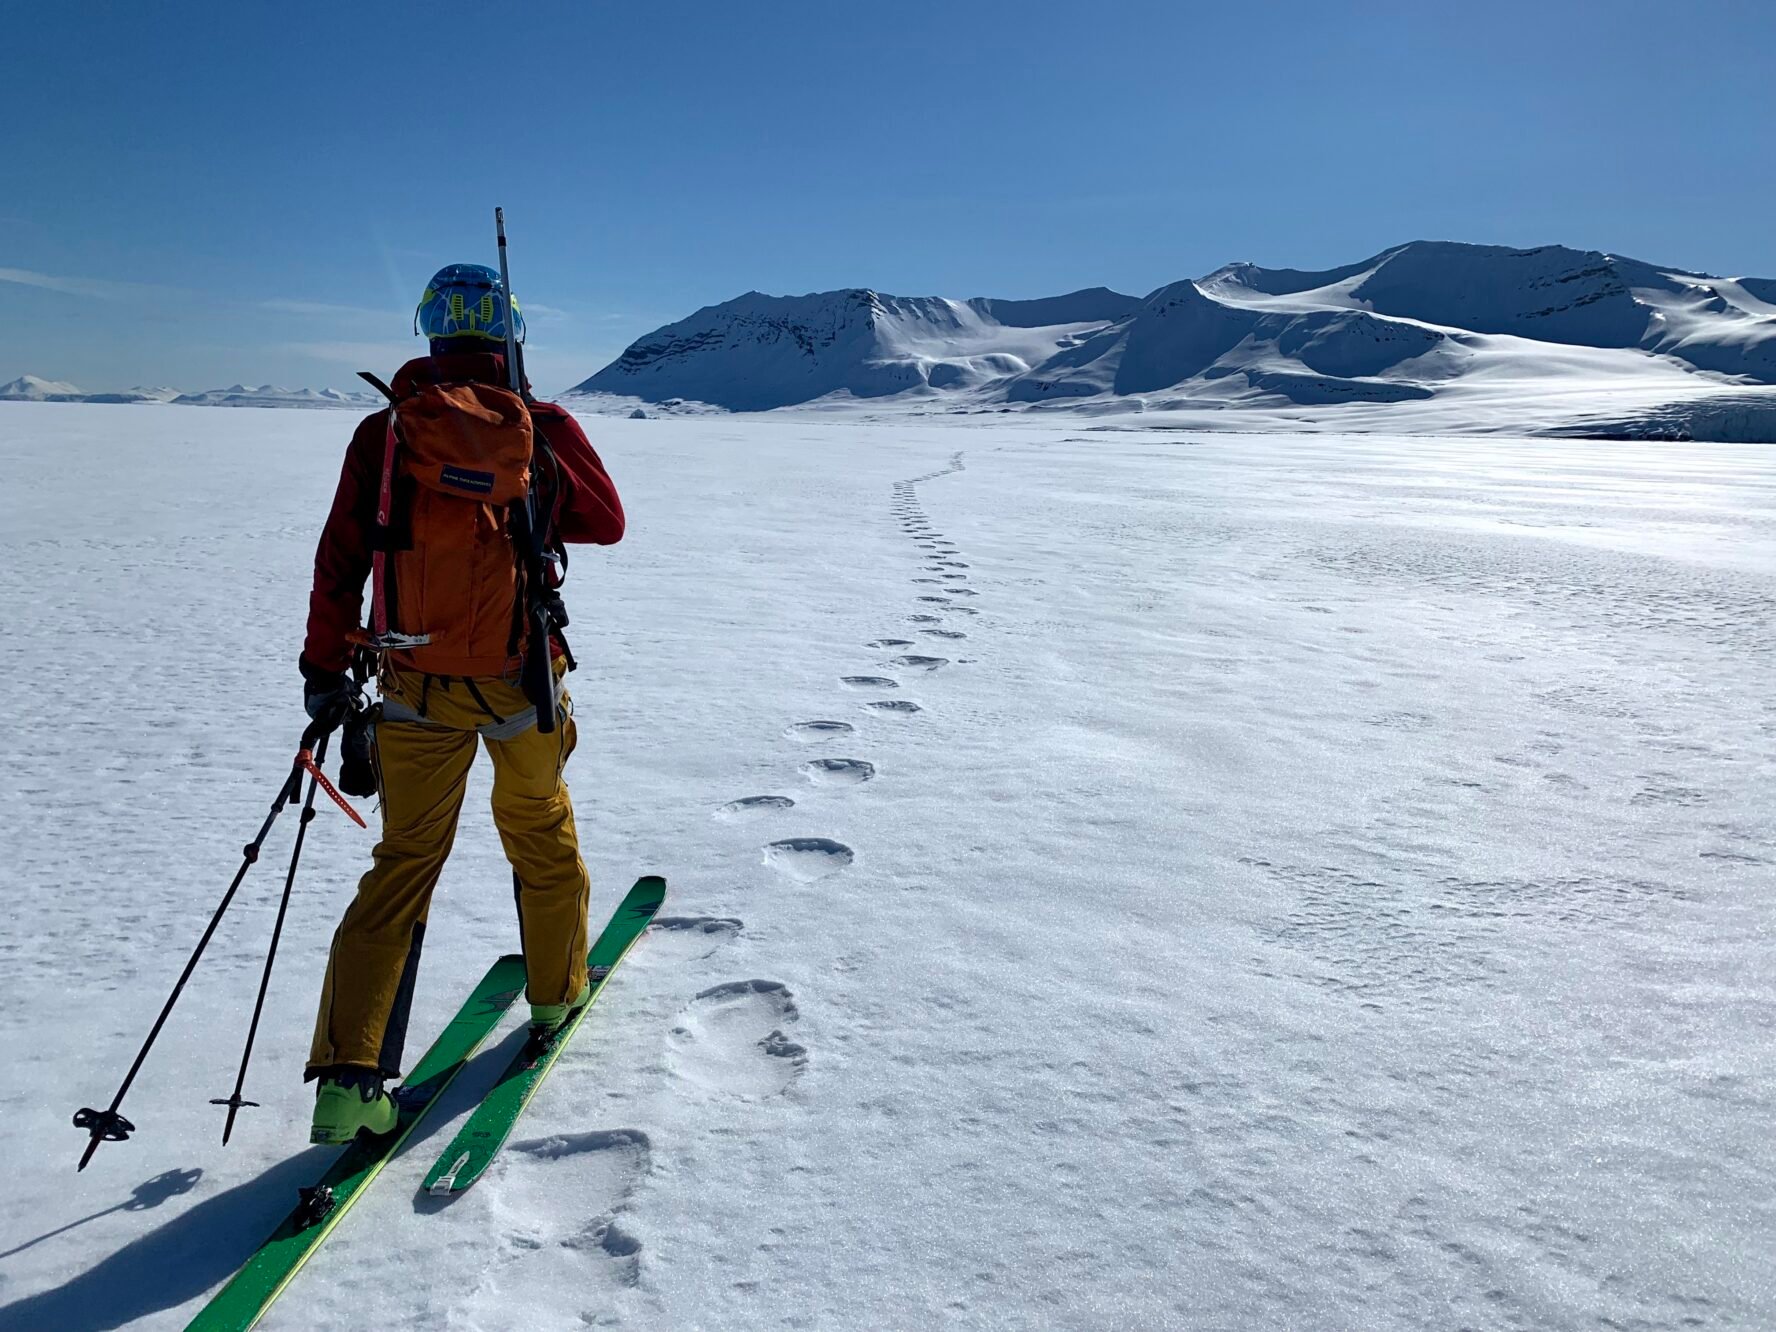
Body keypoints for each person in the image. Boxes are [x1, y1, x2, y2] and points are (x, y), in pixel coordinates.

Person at [298, 263, 624, 1145]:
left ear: (431, 331)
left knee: (403, 862)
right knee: (541, 832)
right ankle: (556, 997)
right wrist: (529, 450)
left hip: (411, 684)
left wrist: (323, 670)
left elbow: (340, 560)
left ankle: (348, 1082)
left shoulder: (386, 434)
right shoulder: (540, 426)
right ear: (508, 331)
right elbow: (606, 522)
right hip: (522, 685)